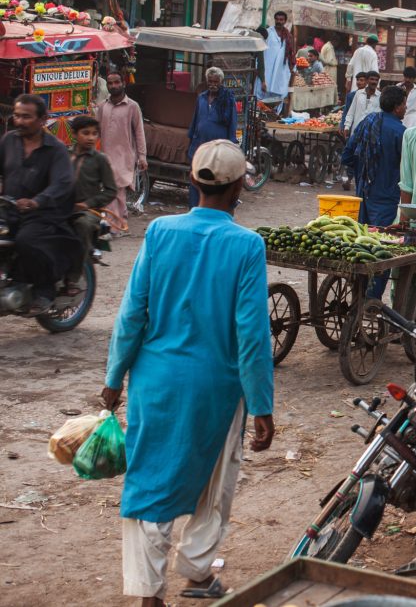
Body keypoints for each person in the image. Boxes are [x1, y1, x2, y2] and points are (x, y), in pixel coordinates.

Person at [103, 140, 274, 607]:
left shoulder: (160, 231)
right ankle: (198, 570)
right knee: (216, 480)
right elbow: (252, 335)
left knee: (149, 481)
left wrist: (114, 377)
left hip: (153, 381)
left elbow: (132, 313)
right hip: (217, 387)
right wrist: (262, 405)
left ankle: (149, 593)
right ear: (238, 188)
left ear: (193, 180)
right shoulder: (247, 245)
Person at [0, 94, 80, 312]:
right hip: (8, 209)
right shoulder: (8, 141)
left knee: (27, 240)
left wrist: (37, 201)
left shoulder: (56, 149)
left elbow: (62, 183)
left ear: (43, 119)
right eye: (17, 116)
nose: (19, 121)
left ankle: (44, 290)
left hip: (44, 214)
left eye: (26, 117)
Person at [342, 85, 407, 227]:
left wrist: (362, 169)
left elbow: (347, 155)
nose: (406, 108)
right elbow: (407, 170)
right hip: (387, 197)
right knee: (382, 236)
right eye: (404, 104)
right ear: (397, 107)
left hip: (363, 193)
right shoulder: (401, 132)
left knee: (363, 235)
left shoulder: (367, 122)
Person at [67, 115, 115, 283]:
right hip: (63, 207)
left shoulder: (100, 159)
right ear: (74, 134)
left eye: (94, 134)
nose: (91, 138)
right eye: (86, 133)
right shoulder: (64, 155)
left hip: (89, 211)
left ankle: (74, 277)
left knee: (82, 224)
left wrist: (87, 204)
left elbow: (111, 191)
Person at [96, 70, 147, 227]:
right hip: (105, 155)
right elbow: (95, 131)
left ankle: (113, 226)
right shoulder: (103, 107)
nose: (113, 86)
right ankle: (119, 222)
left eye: (117, 82)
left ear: (123, 83)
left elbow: (139, 132)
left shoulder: (132, 106)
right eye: (110, 83)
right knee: (114, 192)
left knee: (116, 190)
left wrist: (142, 156)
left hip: (124, 156)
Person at [186, 67, 237, 209]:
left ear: (221, 82)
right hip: (199, 146)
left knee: (215, 181)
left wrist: (230, 146)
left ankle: (212, 209)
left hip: (217, 149)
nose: (213, 84)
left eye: (216, 82)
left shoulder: (228, 99)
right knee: (196, 178)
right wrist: (190, 145)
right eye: (210, 81)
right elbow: (195, 122)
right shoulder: (201, 98)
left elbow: (232, 124)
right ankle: (194, 208)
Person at [257, 11, 295, 102]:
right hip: (267, 71)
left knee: (278, 98)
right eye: (277, 19)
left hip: (281, 72)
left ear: (285, 21)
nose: (279, 21)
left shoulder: (288, 36)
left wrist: (292, 69)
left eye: (281, 20)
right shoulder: (268, 33)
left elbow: (291, 54)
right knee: (262, 98)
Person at [343, 70, 381, 138]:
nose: (374, 82)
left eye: (376, 80)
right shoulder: (358, 93)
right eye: (372, 79)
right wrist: (347, 127)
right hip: (356, 130)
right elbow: (351, 112)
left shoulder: (380, 96)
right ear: (367, 81)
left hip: (371, 133)